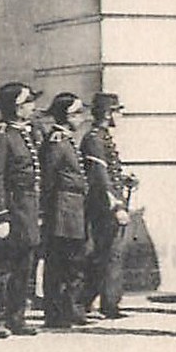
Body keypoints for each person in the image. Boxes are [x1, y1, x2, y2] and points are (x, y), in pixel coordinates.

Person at [0, 82, 45, 338]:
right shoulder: (0, 135)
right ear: (16, 107)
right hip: (10, 209)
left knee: (24, 267)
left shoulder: (24, 133)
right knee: (1, 268)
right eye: (28, 103)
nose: (33, 107)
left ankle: (17, 318)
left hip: (27, 209)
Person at [80, 93, 135, 319]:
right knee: (109, 254)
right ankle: (104, 303)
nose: (120, 116)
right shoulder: (94, 139)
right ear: (107, 113)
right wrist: (117, 207)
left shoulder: (102, 137)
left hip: (108, 203)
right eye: (117, 111)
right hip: (103, 207)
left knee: (108, 254)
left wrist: (124, 179)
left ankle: (99, 301)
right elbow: (100, 177)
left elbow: (110, 173)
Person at [40, 93, 92, 329]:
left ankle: (70, 308)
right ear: (66, 115)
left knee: (74, 262)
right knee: (60, 263)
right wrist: (49, 211)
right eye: (77, 113)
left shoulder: (67, 139)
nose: (82, 117)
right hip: (62, 210)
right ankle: (57, 312)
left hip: (74, 209)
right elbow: (48, 179)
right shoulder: (57, 141)